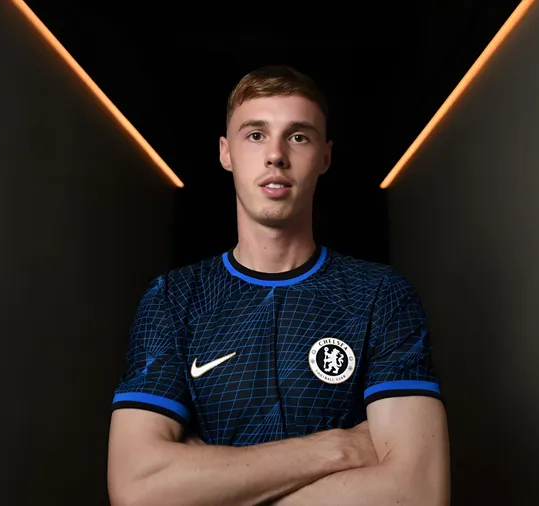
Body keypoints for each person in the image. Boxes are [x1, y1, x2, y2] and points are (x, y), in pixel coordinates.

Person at [107, 65, 449, 506]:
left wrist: (206, 487)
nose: (276, 155)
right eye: (255, 135)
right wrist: (337, 448)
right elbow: (136, 491)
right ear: (226, 153)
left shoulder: (381, 296)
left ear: (325, 157)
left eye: (298, 136)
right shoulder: (173, 299)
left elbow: (419, 493)